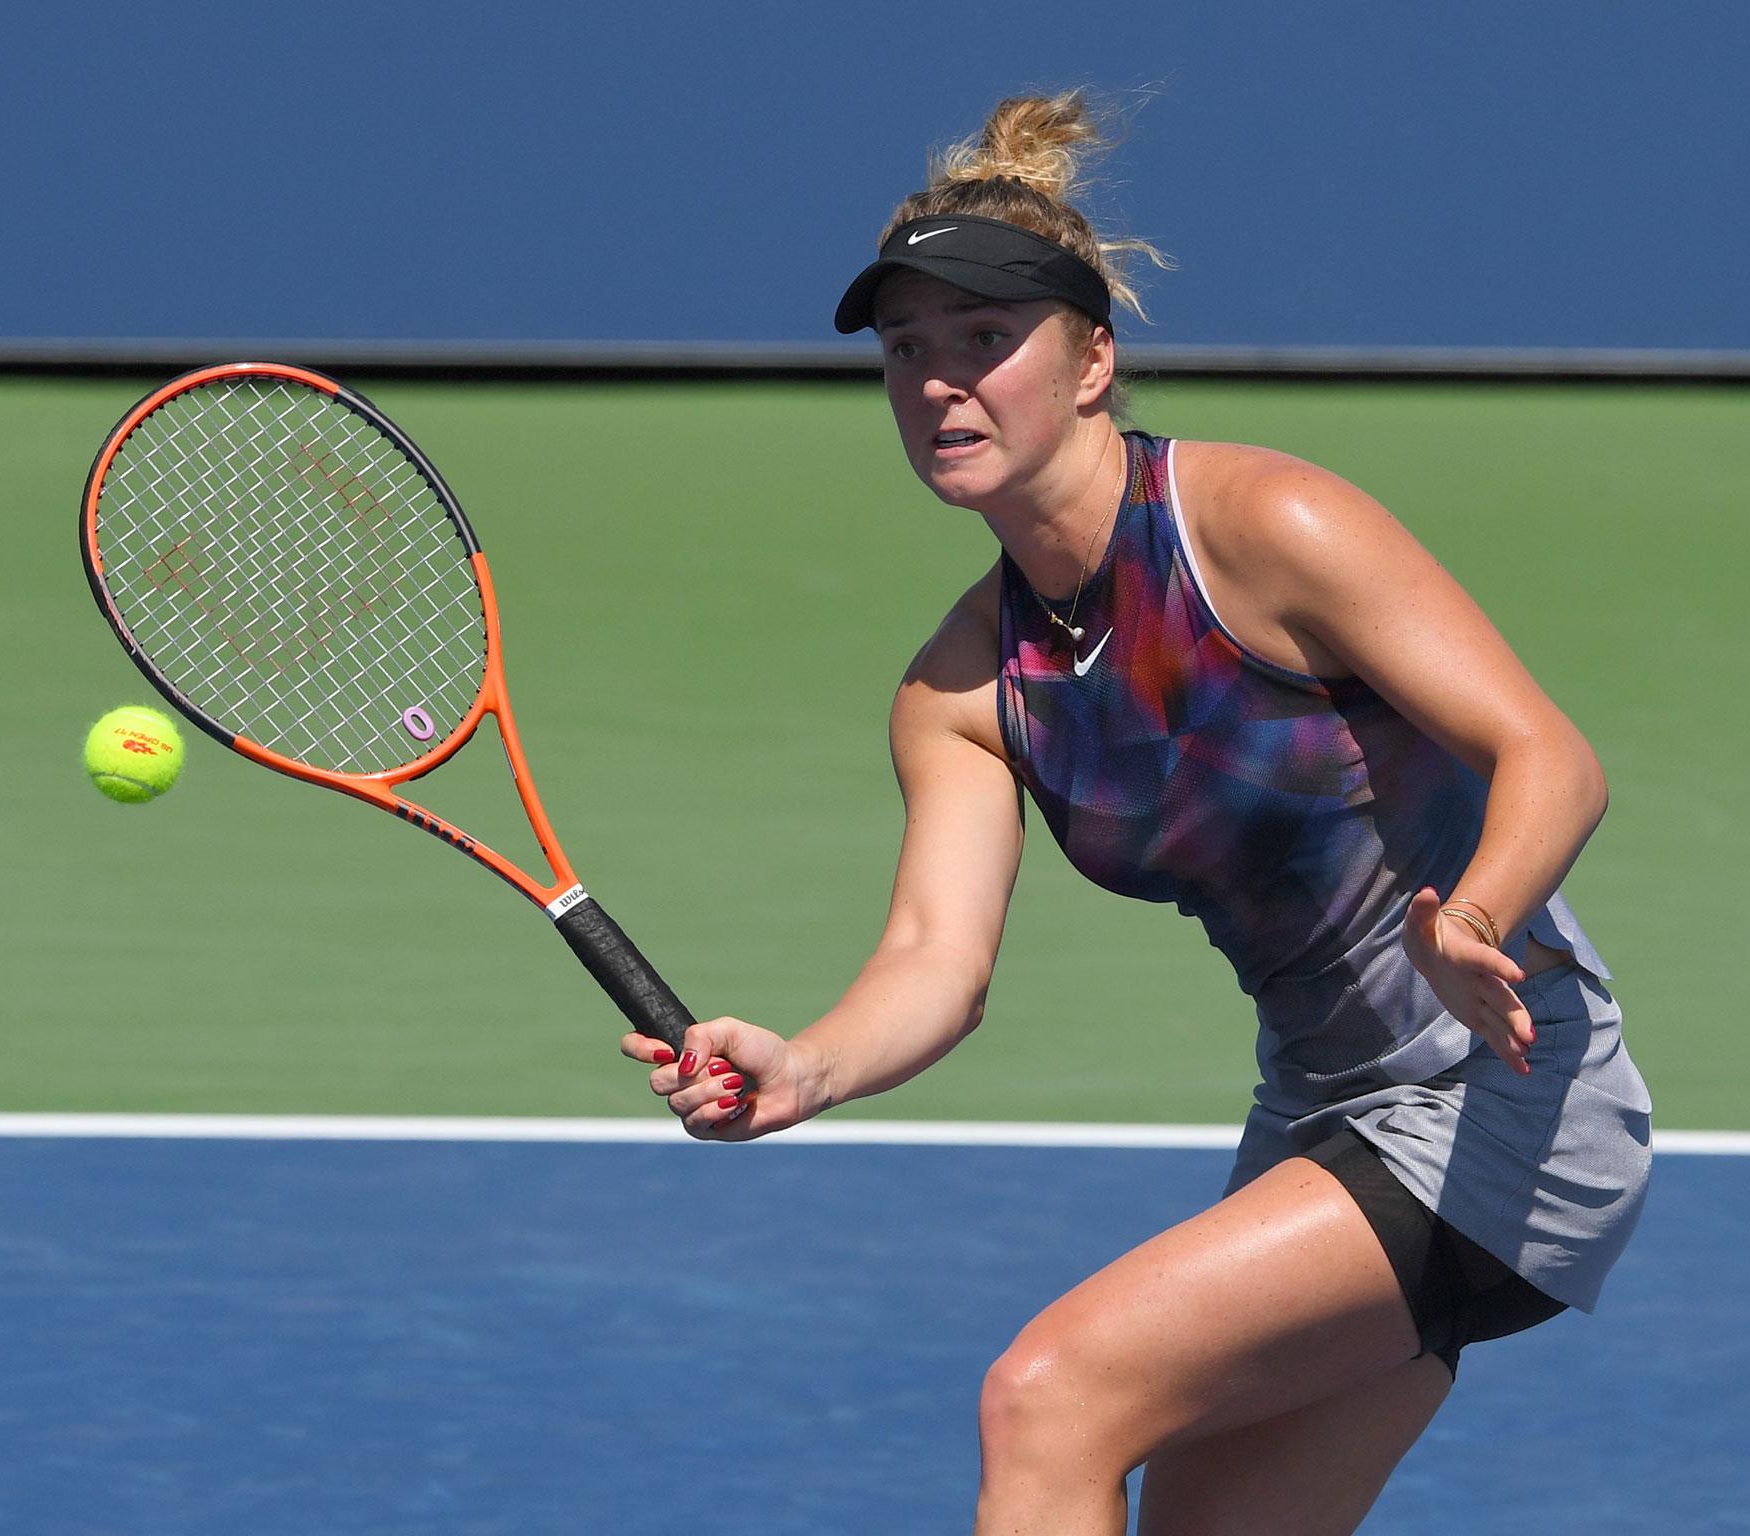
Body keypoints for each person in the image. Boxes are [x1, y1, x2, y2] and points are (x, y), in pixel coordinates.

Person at [622, 91, 1651, 1533]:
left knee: (1049, 1395)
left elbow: (1549, 751)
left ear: (1093, 357)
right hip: (1318, 1118)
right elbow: (935, 960)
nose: (937, 385)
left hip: (1506, 1094)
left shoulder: (1262, 529)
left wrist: (1473, 914)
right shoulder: (965, 686)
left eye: (985, 343)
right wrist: (807, 1067)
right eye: (907, 353)